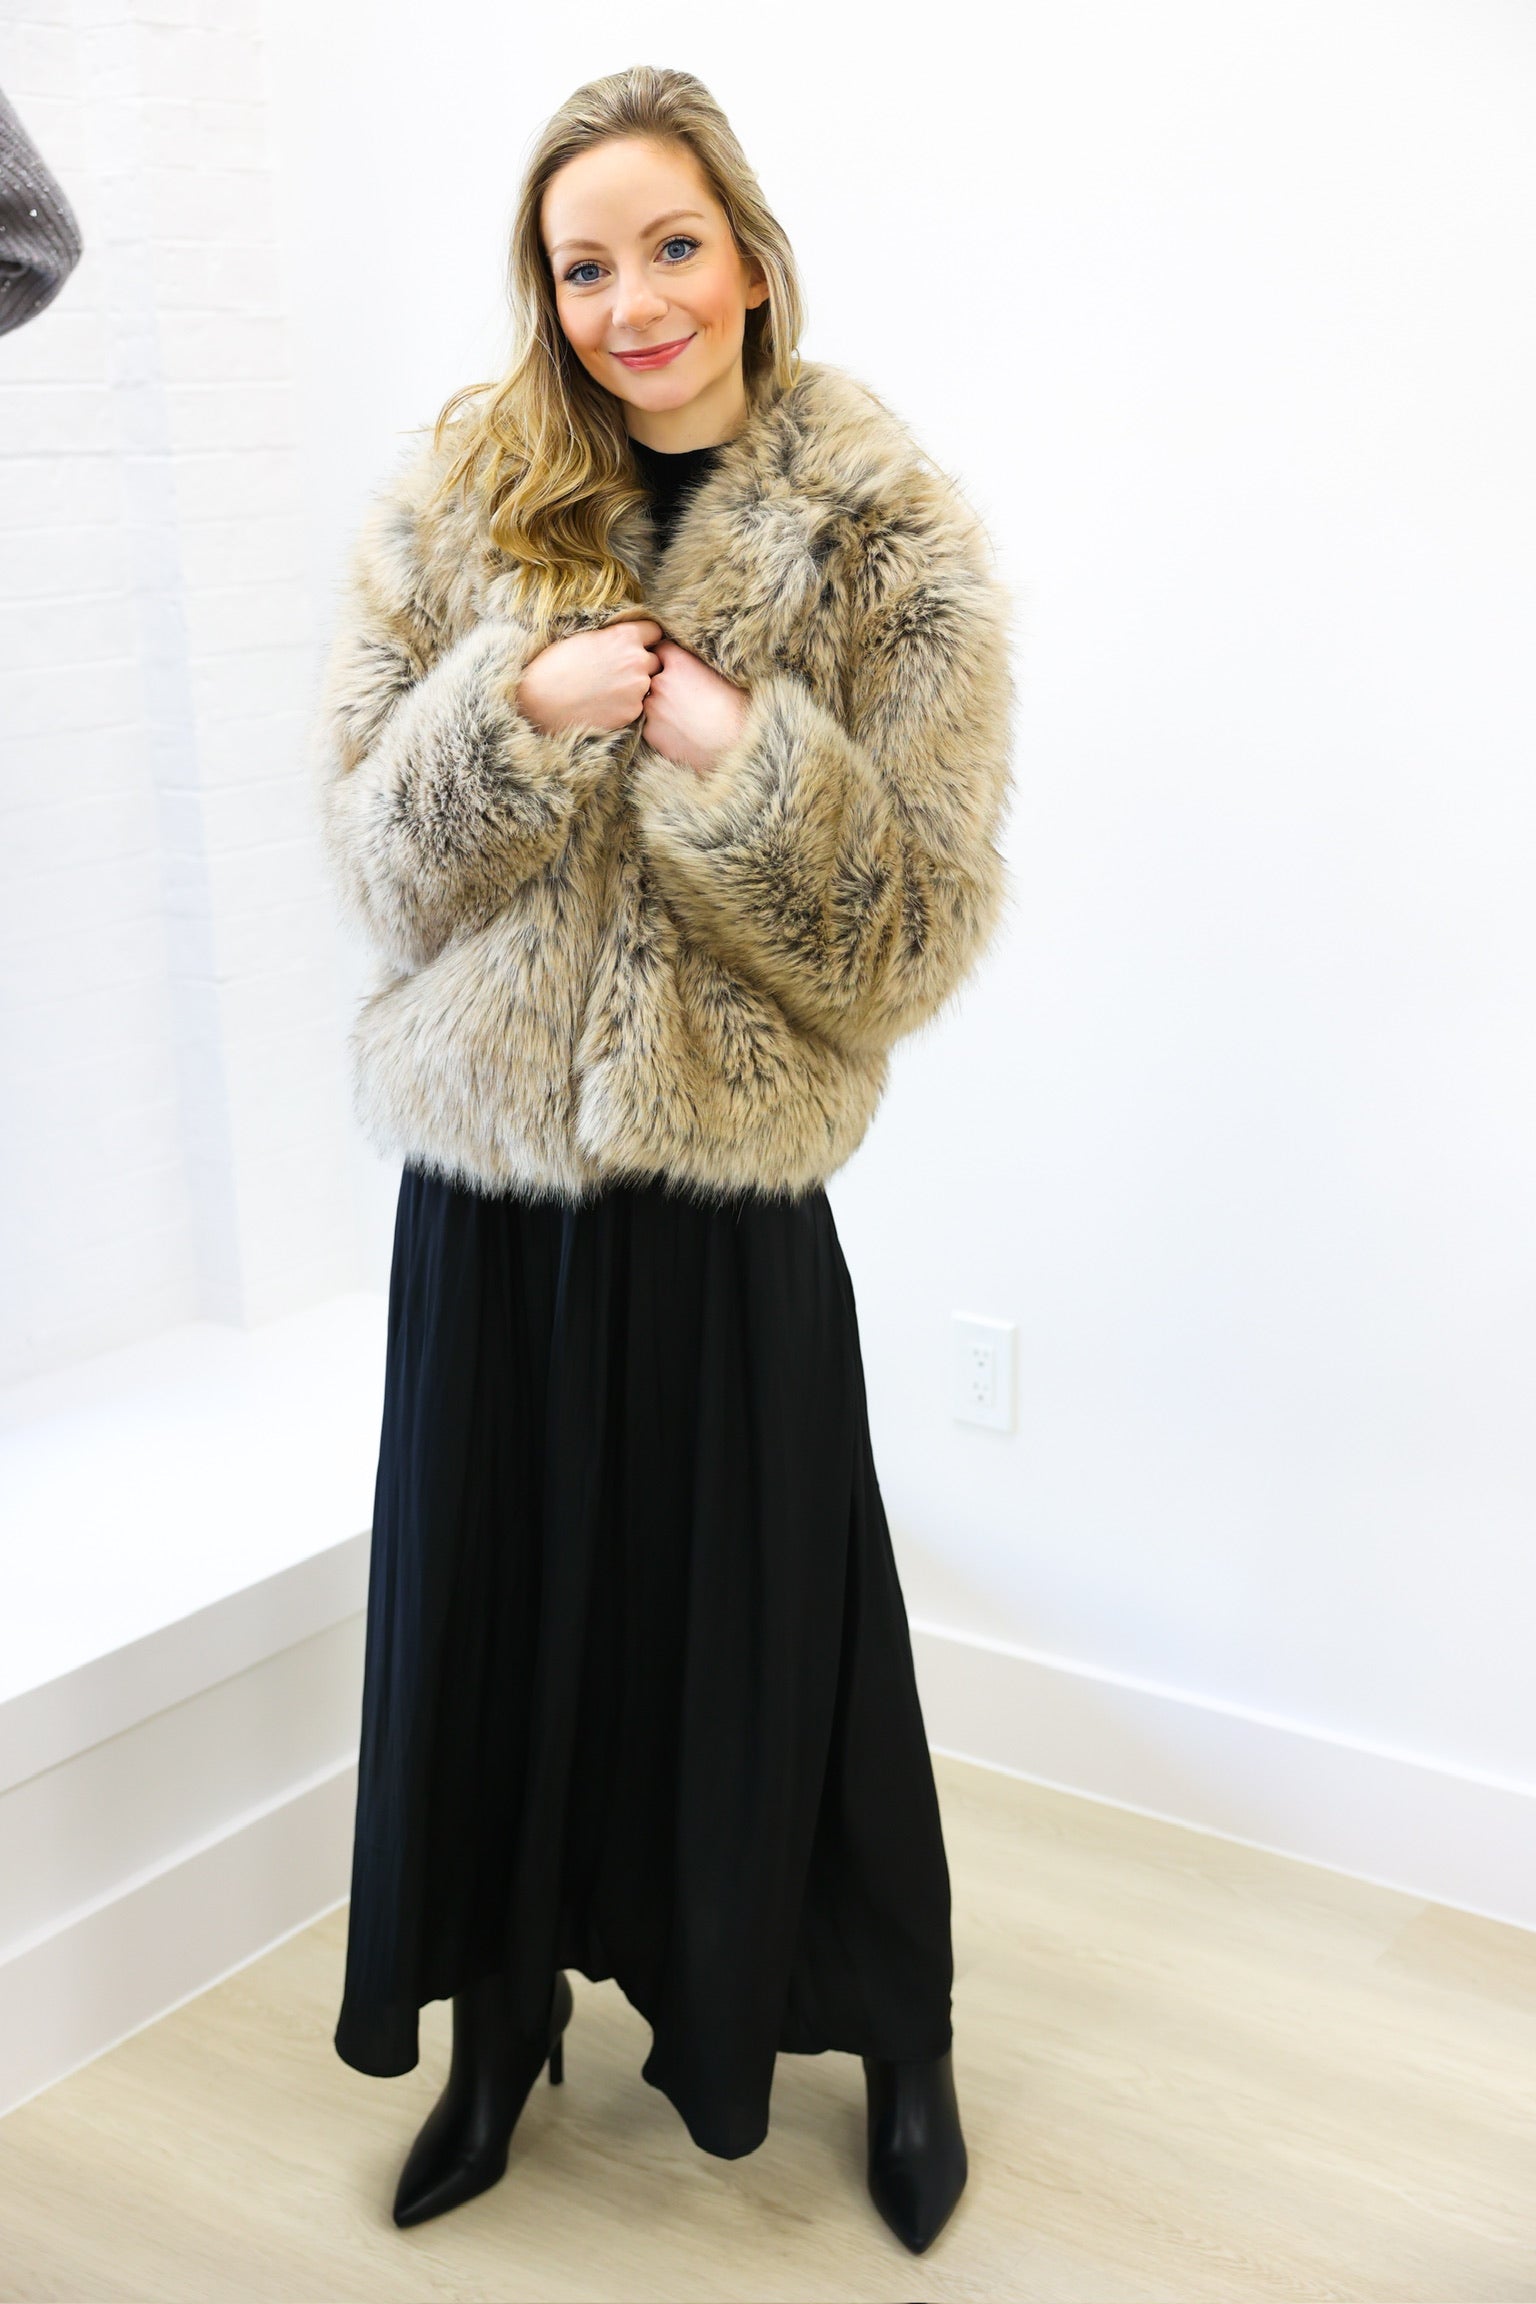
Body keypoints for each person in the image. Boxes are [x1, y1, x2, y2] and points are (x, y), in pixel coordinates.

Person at [311, 62, 1015, 2258]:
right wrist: (508, 717)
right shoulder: (462, 504)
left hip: (727, 1196)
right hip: (493, 1189)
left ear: (749, 252)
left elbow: (904, 940)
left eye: (669, 247)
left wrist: (732, 745)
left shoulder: (884, 534)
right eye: (582, 261)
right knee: (491, 1608)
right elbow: (377, 863)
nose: (630, 302)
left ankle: (892, 2027)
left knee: (790, 1628)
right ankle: (497, 2027)